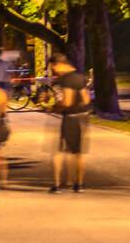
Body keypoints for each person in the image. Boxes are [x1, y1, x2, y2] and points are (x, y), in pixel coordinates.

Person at [50, 55, 90, 193]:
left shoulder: (66, 79)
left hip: (70, 118)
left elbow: (67, 102)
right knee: (78, 153)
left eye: (53, 68)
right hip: (82, 117)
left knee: (59, 151)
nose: (54, 71)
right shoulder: (80, 77)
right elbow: (86, 100)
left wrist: (54, 108)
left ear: (58, 64)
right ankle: (79, 184)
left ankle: (57, 185)